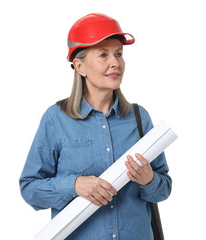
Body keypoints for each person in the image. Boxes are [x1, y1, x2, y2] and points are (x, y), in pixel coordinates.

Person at [19, 13, 172, 240]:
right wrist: (74, 185)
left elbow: (164, 188)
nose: (115, 63)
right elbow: (29, 189)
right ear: (80, 66)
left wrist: (149, 180)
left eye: (118, 54)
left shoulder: (139, 118)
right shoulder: (56, 120)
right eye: (103, 55)